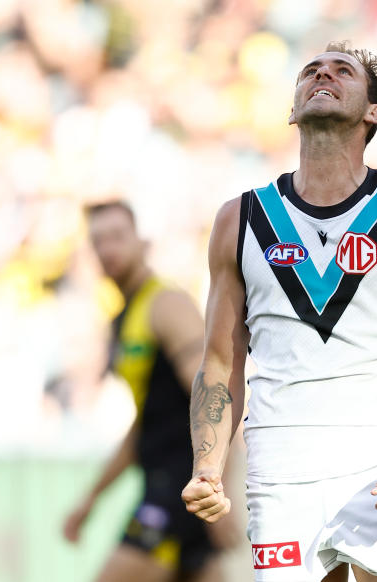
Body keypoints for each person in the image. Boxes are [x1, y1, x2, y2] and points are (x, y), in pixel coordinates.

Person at [180, 41, 377, 582]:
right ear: (292, 109)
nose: (323, 74)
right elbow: (219, 365)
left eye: (343, 71)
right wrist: (207, 465)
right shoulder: (240, 218)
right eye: (311, 70)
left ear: (372, 111)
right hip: (281, 467)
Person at [64, 201, 239, 582]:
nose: (108, 248)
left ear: (142, 241)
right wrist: (91, 499)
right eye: (98, 241)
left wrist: (218, 486)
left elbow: (213, 393)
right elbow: (146, 422)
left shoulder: (166, 305)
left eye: (116, 237)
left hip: (181, 488)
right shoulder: (123, 318)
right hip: (168, 486)